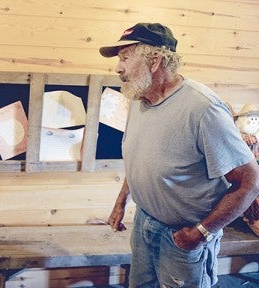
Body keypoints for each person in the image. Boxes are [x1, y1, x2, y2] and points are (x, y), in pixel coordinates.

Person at [99, 23, 259, 288]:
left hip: (182, 236)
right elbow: (140, 158)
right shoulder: (140, 100)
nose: (119, 68)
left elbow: (250, 182)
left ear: (155, 61)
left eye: (126, 58)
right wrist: (120, 203)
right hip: (144, 223)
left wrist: (200, 233)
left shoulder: (203, 109)